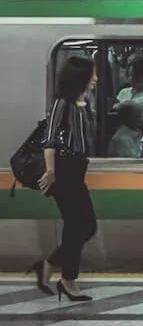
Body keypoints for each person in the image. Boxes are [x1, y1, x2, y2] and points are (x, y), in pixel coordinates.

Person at [31, 57, 99, 301]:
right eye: (92, 75)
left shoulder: (85, 103)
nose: (95, 79)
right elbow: (49, 140)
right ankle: (67, 279)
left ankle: (52, 266)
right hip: (64, 169)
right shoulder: (63, 104)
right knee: (82, 225)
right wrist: (51, 173)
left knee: (81, 226)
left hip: (77, 169)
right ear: (80, 77)